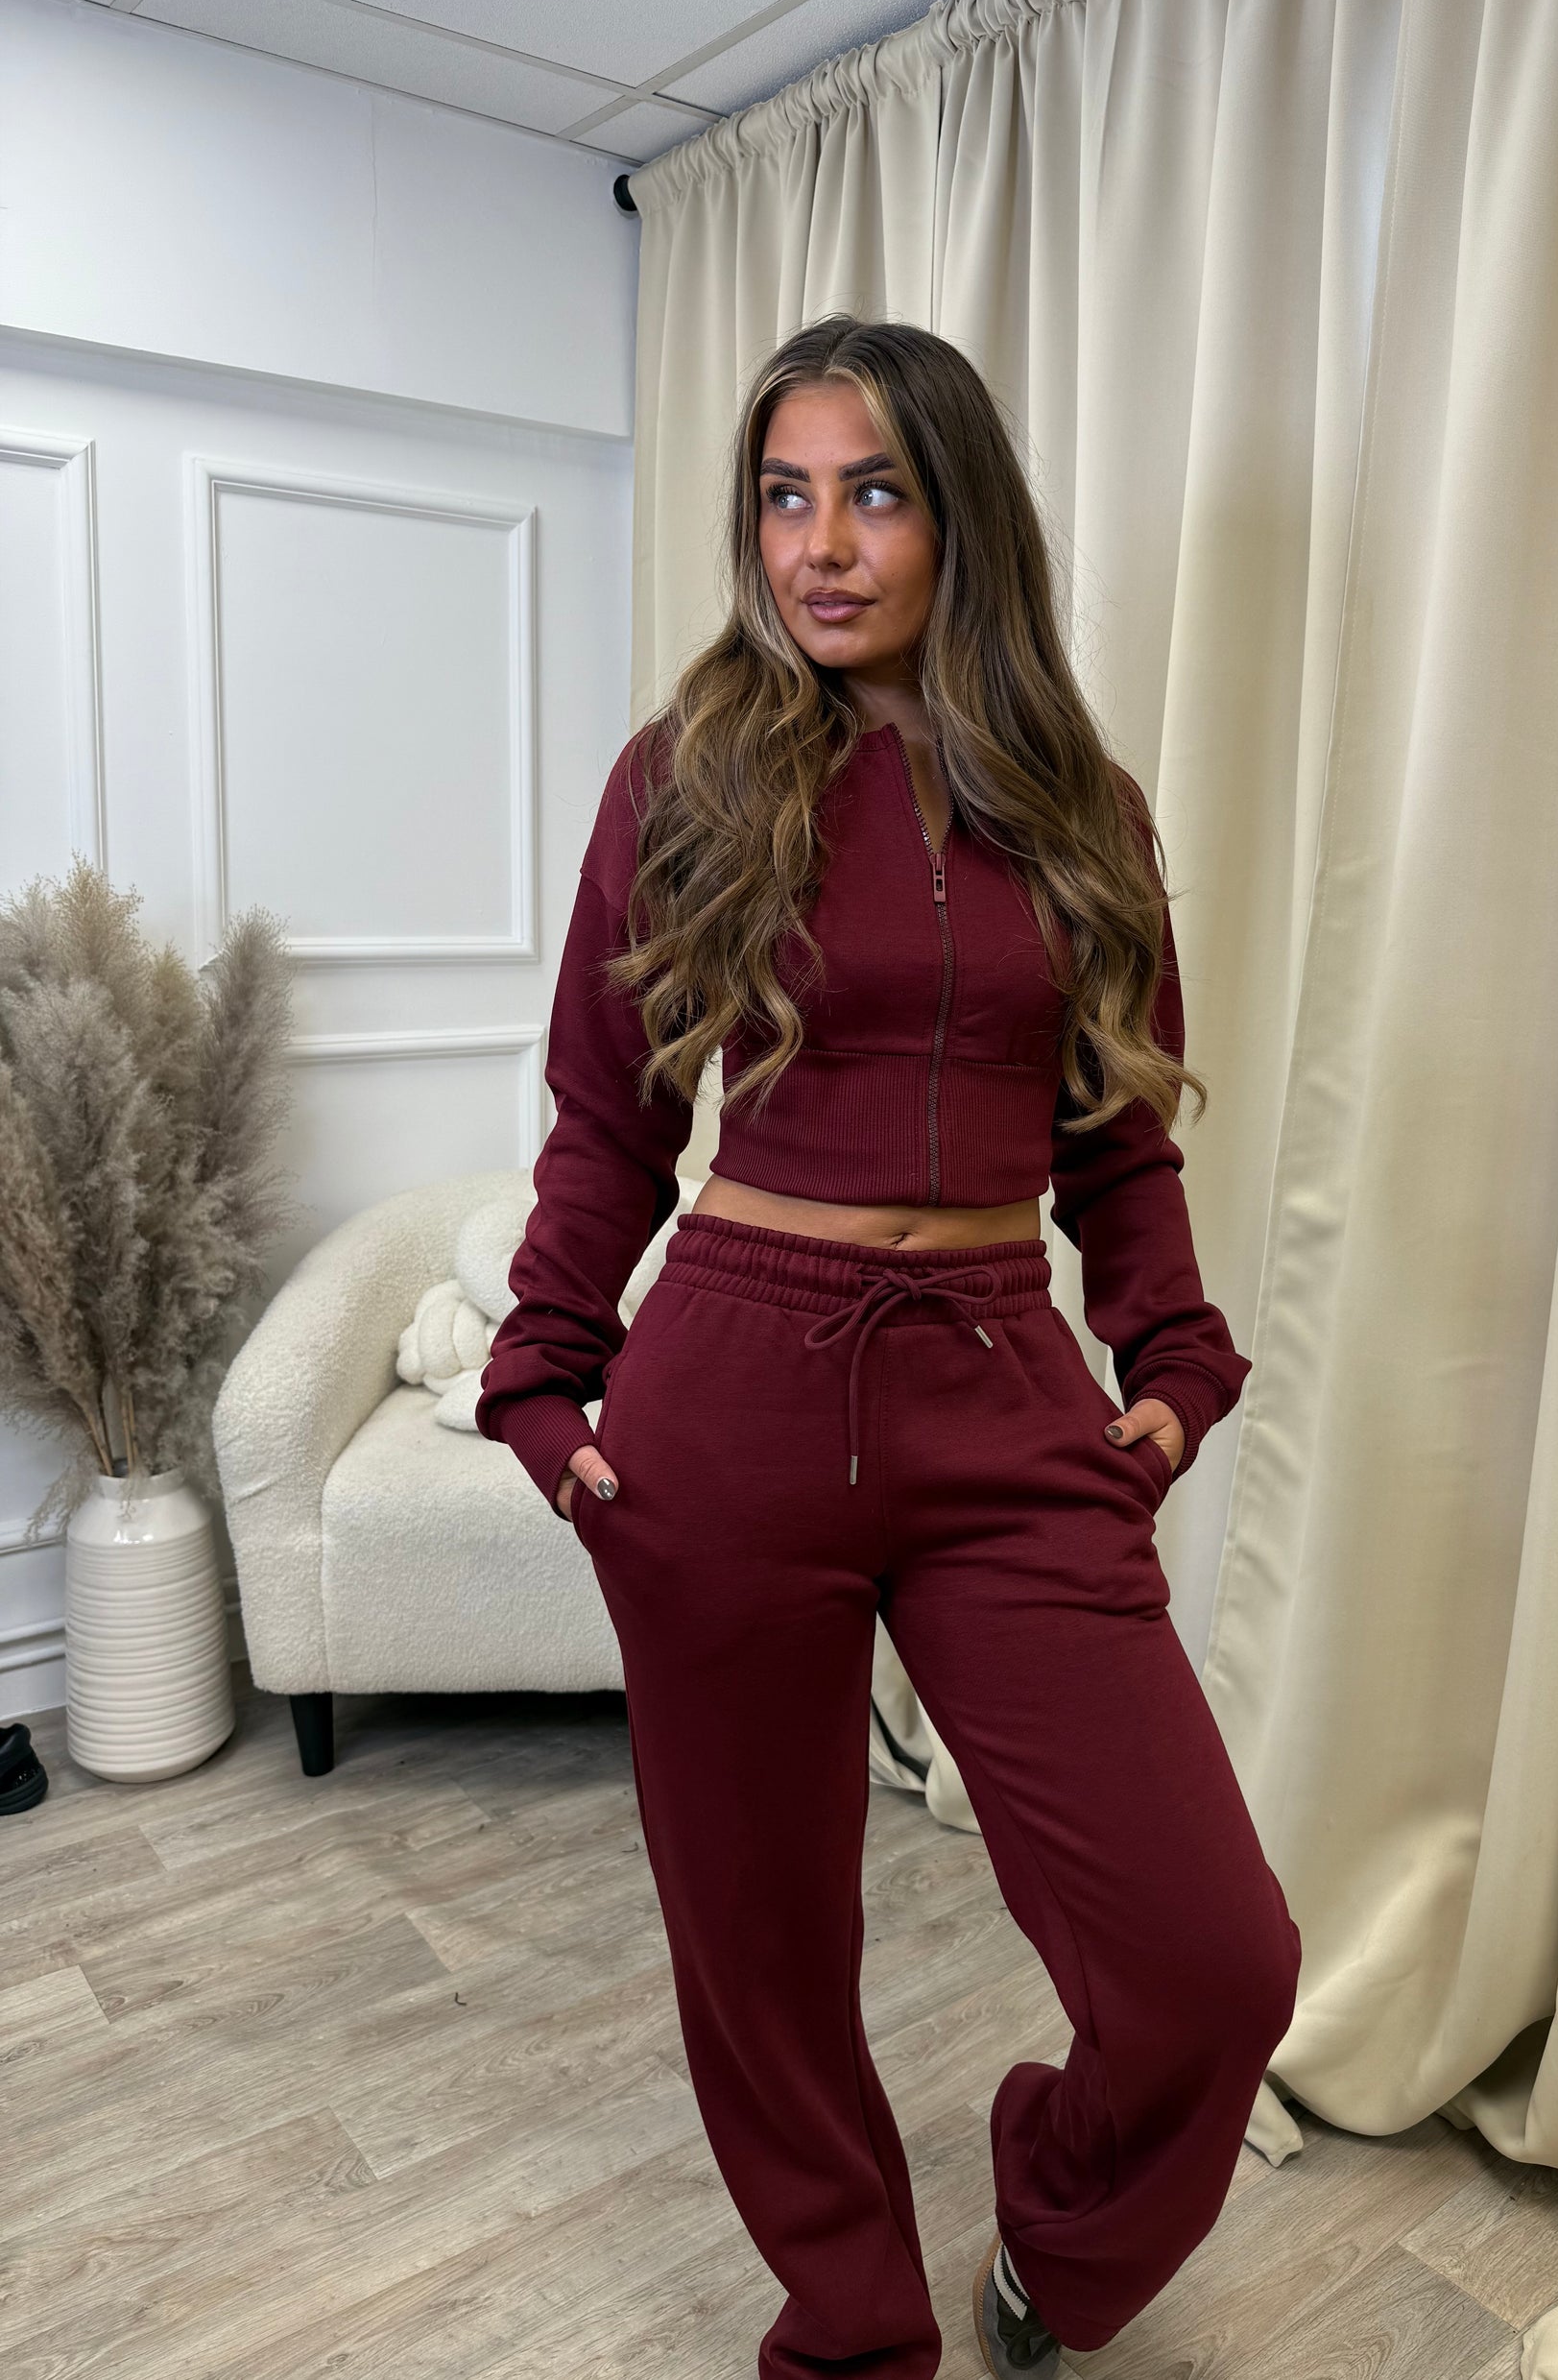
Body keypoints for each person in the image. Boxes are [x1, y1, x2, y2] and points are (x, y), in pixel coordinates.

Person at [476, 313, 1302, 2380]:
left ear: (960, 521)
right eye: (783, 497)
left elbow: (1118, 1133)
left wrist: (1171, 1362)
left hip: (999, 1382)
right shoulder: (685, 777)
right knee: (765, 1954)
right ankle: (850, 2334)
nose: (819, 546)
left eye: (871, 495)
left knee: (1211, 1961)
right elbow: (608, 1108)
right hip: (731, 1393)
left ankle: (1059, 2241)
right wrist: (544, 1375)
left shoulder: (1081, 807)